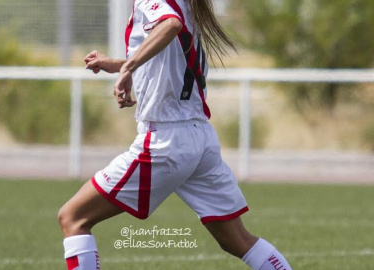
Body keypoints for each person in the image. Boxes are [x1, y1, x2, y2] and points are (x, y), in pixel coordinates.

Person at [58, 0, 293, 269]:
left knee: (73, 218)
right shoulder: (185, 3)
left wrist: (128, 67)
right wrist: (119, 64)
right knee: (237, 240)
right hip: (200, 137)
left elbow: (170, 25)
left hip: (166, 141)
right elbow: (168, 53)